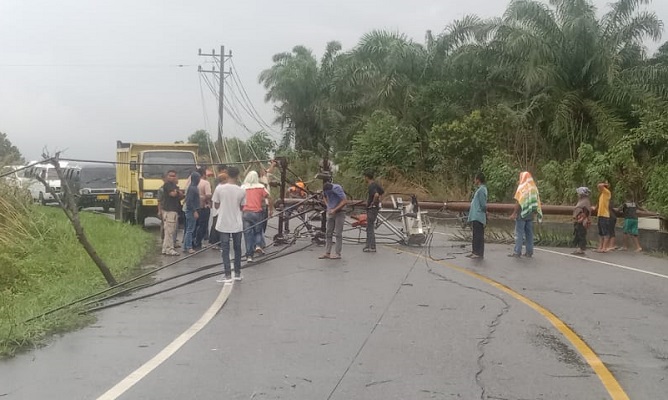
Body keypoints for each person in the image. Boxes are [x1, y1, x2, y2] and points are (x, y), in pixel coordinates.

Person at [213, 167, 246, 283]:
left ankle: (227, 275)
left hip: (223, 222)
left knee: (225, 249)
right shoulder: (241, 190)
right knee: (237, 248)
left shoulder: (219, 189)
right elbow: (242, 207)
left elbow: (216, 205)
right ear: (238, 175)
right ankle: (237, 273)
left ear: (226, 174)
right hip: (237, 222)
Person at [508, 171, 543, 258]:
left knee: (519, 233)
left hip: (521, 214)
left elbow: (518, 202)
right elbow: (536, 202)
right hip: (530, 215)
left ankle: (517, 252)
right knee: (529, 234)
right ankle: (529, 252)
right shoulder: (534, 188)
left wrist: (514, 213)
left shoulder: (521, 188)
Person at [242, 171, 269, 262]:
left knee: (248, 234)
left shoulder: (243, 187)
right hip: (257, 212)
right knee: (258, 231)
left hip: (246, 212)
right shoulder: (261, 187)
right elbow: (268, 196)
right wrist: (271, 209)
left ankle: (249, 255)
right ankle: (258, 245)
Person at [319, 181, 347, 260]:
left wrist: (335, 209)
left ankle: (338, 253)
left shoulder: (337, 188)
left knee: (338, 233)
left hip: (340, 211)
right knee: (328, 232)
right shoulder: (325, 191)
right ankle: (327, 252)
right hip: (331, 211)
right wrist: (328, 206)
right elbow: (324, 196)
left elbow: (345, 201)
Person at [160, 170, 182, 256]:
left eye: (174, 176)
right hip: (169, 210)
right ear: (167, 176)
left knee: (169, 231)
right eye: (170, 176)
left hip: (173, 210)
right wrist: (177, 192)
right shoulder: (167, 185)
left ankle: (165, 248)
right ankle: (169, 249)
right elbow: (173, 194)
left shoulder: (174, 185)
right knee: (169, 231)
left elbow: (180, 195)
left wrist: (178, 192)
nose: (172, 177)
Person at [466, 172, 488, 259]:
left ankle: (478, 252)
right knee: (475, 234)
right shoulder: (480, 189)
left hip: (478, 215)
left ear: (478, 180)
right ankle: (474, 251)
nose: (474, 181)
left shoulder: (481, 190)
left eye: (475, 179)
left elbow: (483, 204)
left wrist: (485, 212)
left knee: (478, 235)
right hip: (476, 215)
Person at [363, 170, 384, 253]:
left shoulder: (371, 186)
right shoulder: (376, 184)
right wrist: (379, 202)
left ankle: (371, 246)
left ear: (367, 177)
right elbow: (381, 192)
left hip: (372, 209)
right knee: (369, 227)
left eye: (364, 177)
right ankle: (369, 245)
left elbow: (376, 195)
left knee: (370, 227)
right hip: (375, 209)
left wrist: (373, 203)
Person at [193, 166, 213, 250]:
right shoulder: (205, 183)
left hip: (193, 207)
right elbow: (208, 195)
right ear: (203, 174)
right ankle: (198, 242)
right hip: (204, 207)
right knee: (202, 226)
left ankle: (192, 242)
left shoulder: (190, 181)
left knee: (194, 225)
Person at [208, 166, 228, 249]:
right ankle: (214, 242)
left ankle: (218, 241)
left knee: (219, 225)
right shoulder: (218, 185)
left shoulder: (223, 186)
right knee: (216, 225)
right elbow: (215, 198)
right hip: (218, 208)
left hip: (220, 207)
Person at [183, 172, 201, 254]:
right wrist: (194, 211)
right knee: (190, 229)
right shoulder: (193, 188)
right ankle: (189, 247)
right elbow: (189, 201)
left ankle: (186, 246)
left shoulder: (192, 187)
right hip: (191, 211)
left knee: (189, 229)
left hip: (191, 210)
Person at [572, 187, 592, 255]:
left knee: (581, 234)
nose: (578, 195)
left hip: (582, 221)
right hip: (578, 220)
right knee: (578, 233)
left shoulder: (585, 201)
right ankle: (579, 248)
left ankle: (581, 248)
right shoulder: (581, 200)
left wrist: (581, 219)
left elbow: (586, 211)